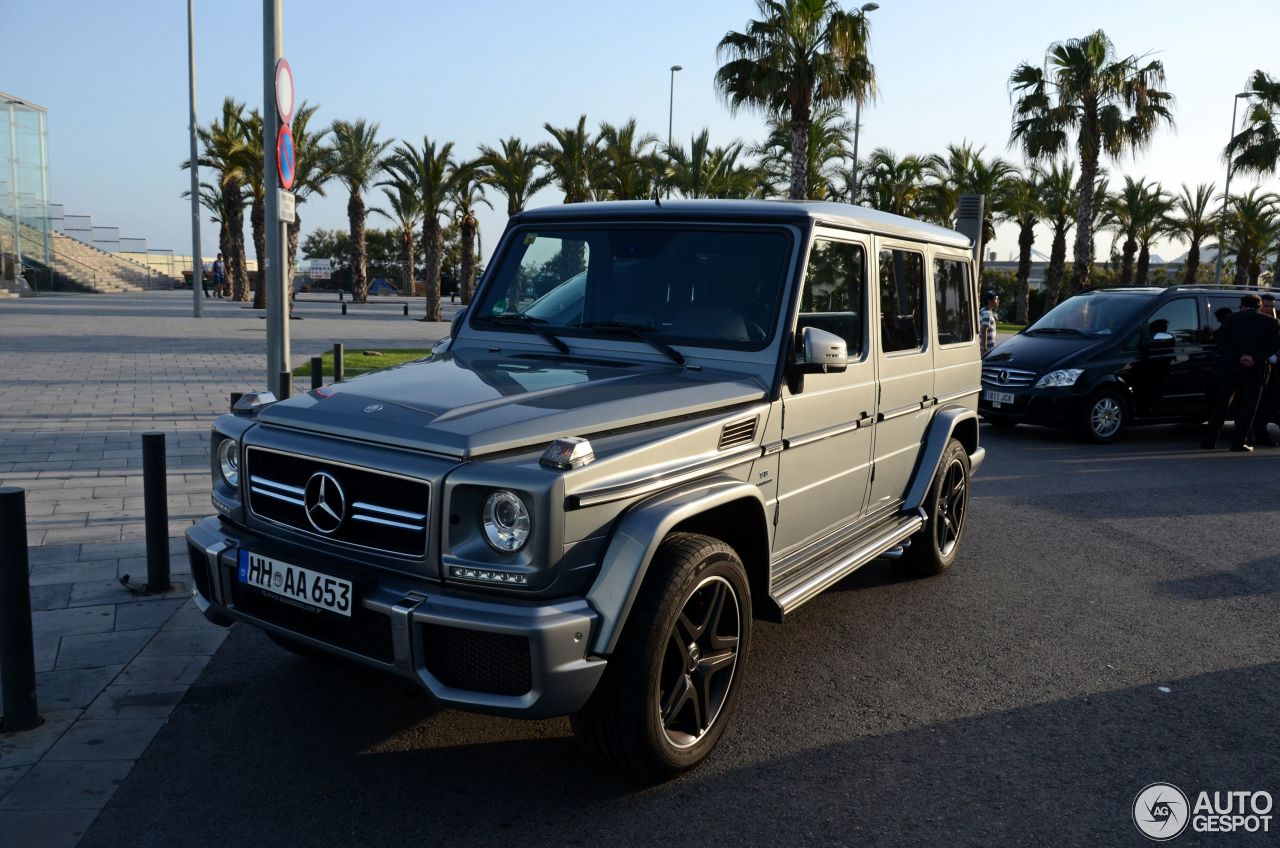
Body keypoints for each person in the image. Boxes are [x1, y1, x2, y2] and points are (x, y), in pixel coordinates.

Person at [1201, 293, 1280, 452]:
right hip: (1256, 370)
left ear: (1242, 305)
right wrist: (1254, 359)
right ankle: (1239, 443)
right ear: (1258, 306)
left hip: (1230, 368)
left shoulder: (1230, 319)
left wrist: (1240, 357)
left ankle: (1210, 441)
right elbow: (1273, 346)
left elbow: (1222, 343)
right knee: (1247, 408)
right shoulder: (1271, 323)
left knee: (1221, 406)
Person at [1250, 293, 1280, 445]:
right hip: (1255, 368)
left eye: (1271, 306)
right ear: (1259, 306)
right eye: (1266, 306)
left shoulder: (1275, 323)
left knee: (1272, 402)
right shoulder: (1252, 323)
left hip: (1273, 371)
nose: (1269, 309)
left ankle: (1260, 432)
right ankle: (1254, 433)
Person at [979, 290, 999, 356]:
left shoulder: (983, 311)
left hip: (986, 347)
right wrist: (984, 348)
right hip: (988, 347)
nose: (997, 301)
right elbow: (984, 329)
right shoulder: (987, 314)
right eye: (996, 299)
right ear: (989, 301)